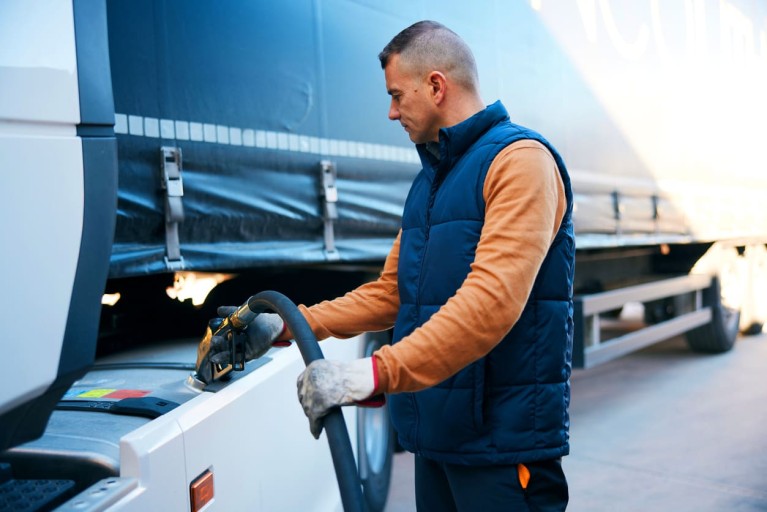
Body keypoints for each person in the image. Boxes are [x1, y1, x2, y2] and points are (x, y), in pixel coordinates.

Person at [211, 20, 574, 511]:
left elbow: (491, 303)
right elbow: (392, 293)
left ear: (437, 86)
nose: (391, 111)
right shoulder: (432, 180)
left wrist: (370, 374)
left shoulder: (520, 162)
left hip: (503, 449)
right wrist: (290, 325)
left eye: (398, 96)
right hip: (439, 438)